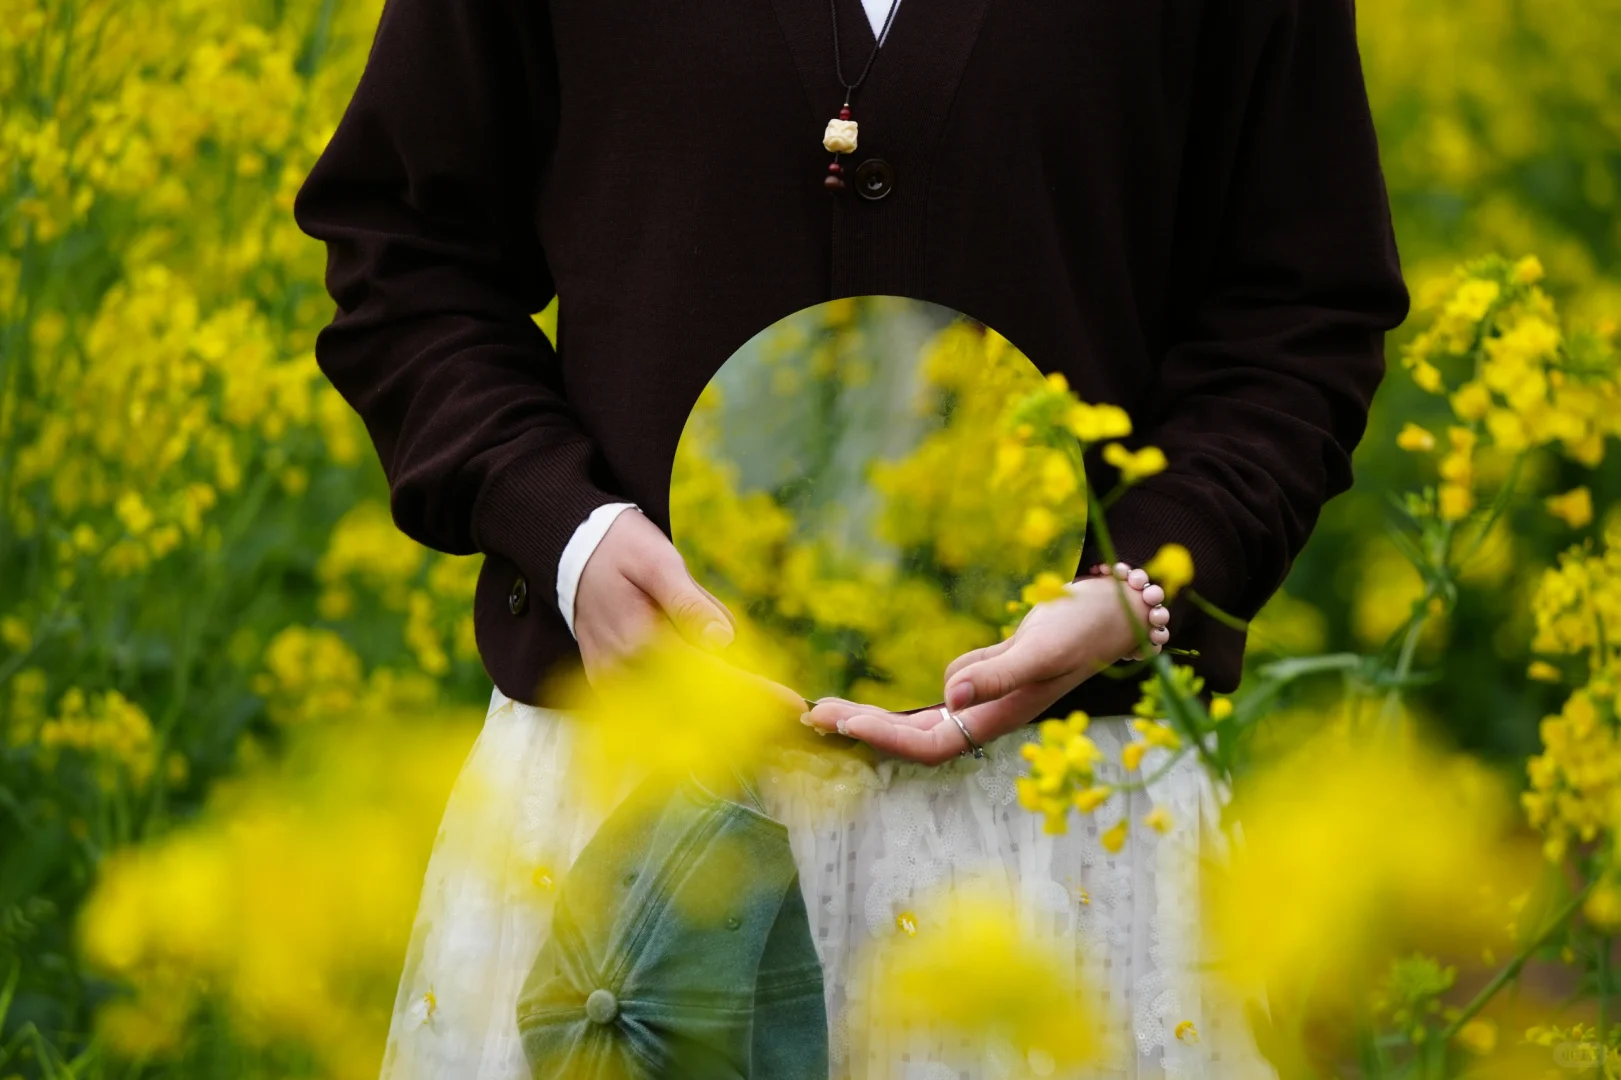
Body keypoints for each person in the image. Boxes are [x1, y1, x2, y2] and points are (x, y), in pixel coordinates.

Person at [291, 0, 1410, 1072]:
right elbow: (405, 253)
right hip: (638, 777)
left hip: (1064, 821)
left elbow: (1299, 312)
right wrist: (568, 535)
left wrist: (1147, 576)